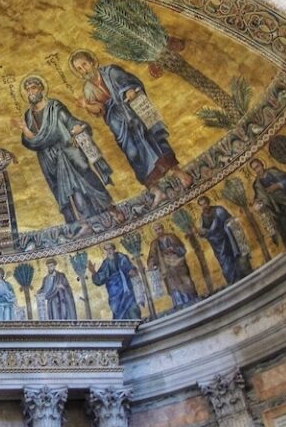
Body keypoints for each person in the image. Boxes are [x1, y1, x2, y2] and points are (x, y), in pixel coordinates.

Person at [69, 49, 192, 204]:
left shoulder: (111, 72)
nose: (83, 70)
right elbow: (99, 110)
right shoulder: (88, 89)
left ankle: (179, 174)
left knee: (153, 141)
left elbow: (131, 83)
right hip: (118, 124)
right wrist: (86, 105)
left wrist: (129, 91)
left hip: (133, 113)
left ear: (92, 62)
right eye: (79, 69)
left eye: (84, 65)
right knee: (133, 154)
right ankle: (155, 189)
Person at [17, 75, 113, 223]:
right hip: (50, 160)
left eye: (33, 88)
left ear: (41, 88)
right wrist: (24, 130)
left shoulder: (55, 107)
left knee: (85, 181)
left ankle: (109, 209)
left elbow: (69, 121)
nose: (30, 92)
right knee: (74, 197)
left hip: (68, 153)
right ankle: (86, 223)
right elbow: (32, 140)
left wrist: (77, 128)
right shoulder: (28, 116)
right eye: (27, 89)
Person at [249, 158, 286, 248]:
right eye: (255, 169)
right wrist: (257, 204)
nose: (257, 170)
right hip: (276, 213)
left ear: (262, 164)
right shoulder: (257, 185)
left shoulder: (273, 172)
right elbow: (260, 198)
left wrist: (277, 186)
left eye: (258, 166)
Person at [197, 196, 251, 285]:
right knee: (225, 262)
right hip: (216, 244)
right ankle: (233, 281)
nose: (204, 207)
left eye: (205, 204)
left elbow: (225, 223)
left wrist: (208, 232)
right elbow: (205, 230)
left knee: (232, 259)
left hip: (227, 239)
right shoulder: (203, 216)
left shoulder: (218, 210)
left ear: (208, 202)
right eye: (201, 205)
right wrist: (201, 233)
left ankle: (240, 276)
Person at [147, 223, 198, 308]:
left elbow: (183, 250)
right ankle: (179, 305)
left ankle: (192, 300)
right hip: (167, 269)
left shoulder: (172, 237)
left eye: (159, 229)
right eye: (156, 230)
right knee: (173, 288)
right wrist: (151, 262)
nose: (158, 231)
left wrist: (173, 249)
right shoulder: (154, 243)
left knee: (186, 282)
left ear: (163, 228)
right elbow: (152, 256)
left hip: (178, 266)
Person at [89, 243, 141, 320]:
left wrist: (131, 270)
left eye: (110, 249)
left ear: (114, 249)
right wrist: (93, 271)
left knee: (132, 306)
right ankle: (122, 327)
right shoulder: (105, 263)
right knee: (116, 308)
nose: (108, 251)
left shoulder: (121, 257)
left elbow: (129, 268)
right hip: (114, 292)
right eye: (106, 250)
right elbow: (99, 280)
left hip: (126, 288)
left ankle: (137, 322)